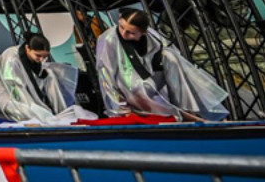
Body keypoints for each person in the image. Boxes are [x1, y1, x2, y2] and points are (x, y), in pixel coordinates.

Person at [95, 8, 229, 121]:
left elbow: (171, 58)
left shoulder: (152, 35)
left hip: (151, 76)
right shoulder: (108, 39)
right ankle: (172, 112)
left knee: (171, 57)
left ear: (143, 32)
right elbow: (105, 74)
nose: (123, 33)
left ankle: (187, 107)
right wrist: (119, 110)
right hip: (127, 83)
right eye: (121, 27)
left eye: (130, 32)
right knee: (144, 86)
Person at [0, 34, 93, 124]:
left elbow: (34, 78)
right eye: (38, 55)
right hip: (11, 95)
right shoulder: (11, 59)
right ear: (27, 48)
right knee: (34, 113)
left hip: (27, 90)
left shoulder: (32, 57)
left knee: (51, 74)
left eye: (45, 56)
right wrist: (38, 108)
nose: (42, 60)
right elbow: (16, 90)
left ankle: (61, 111)